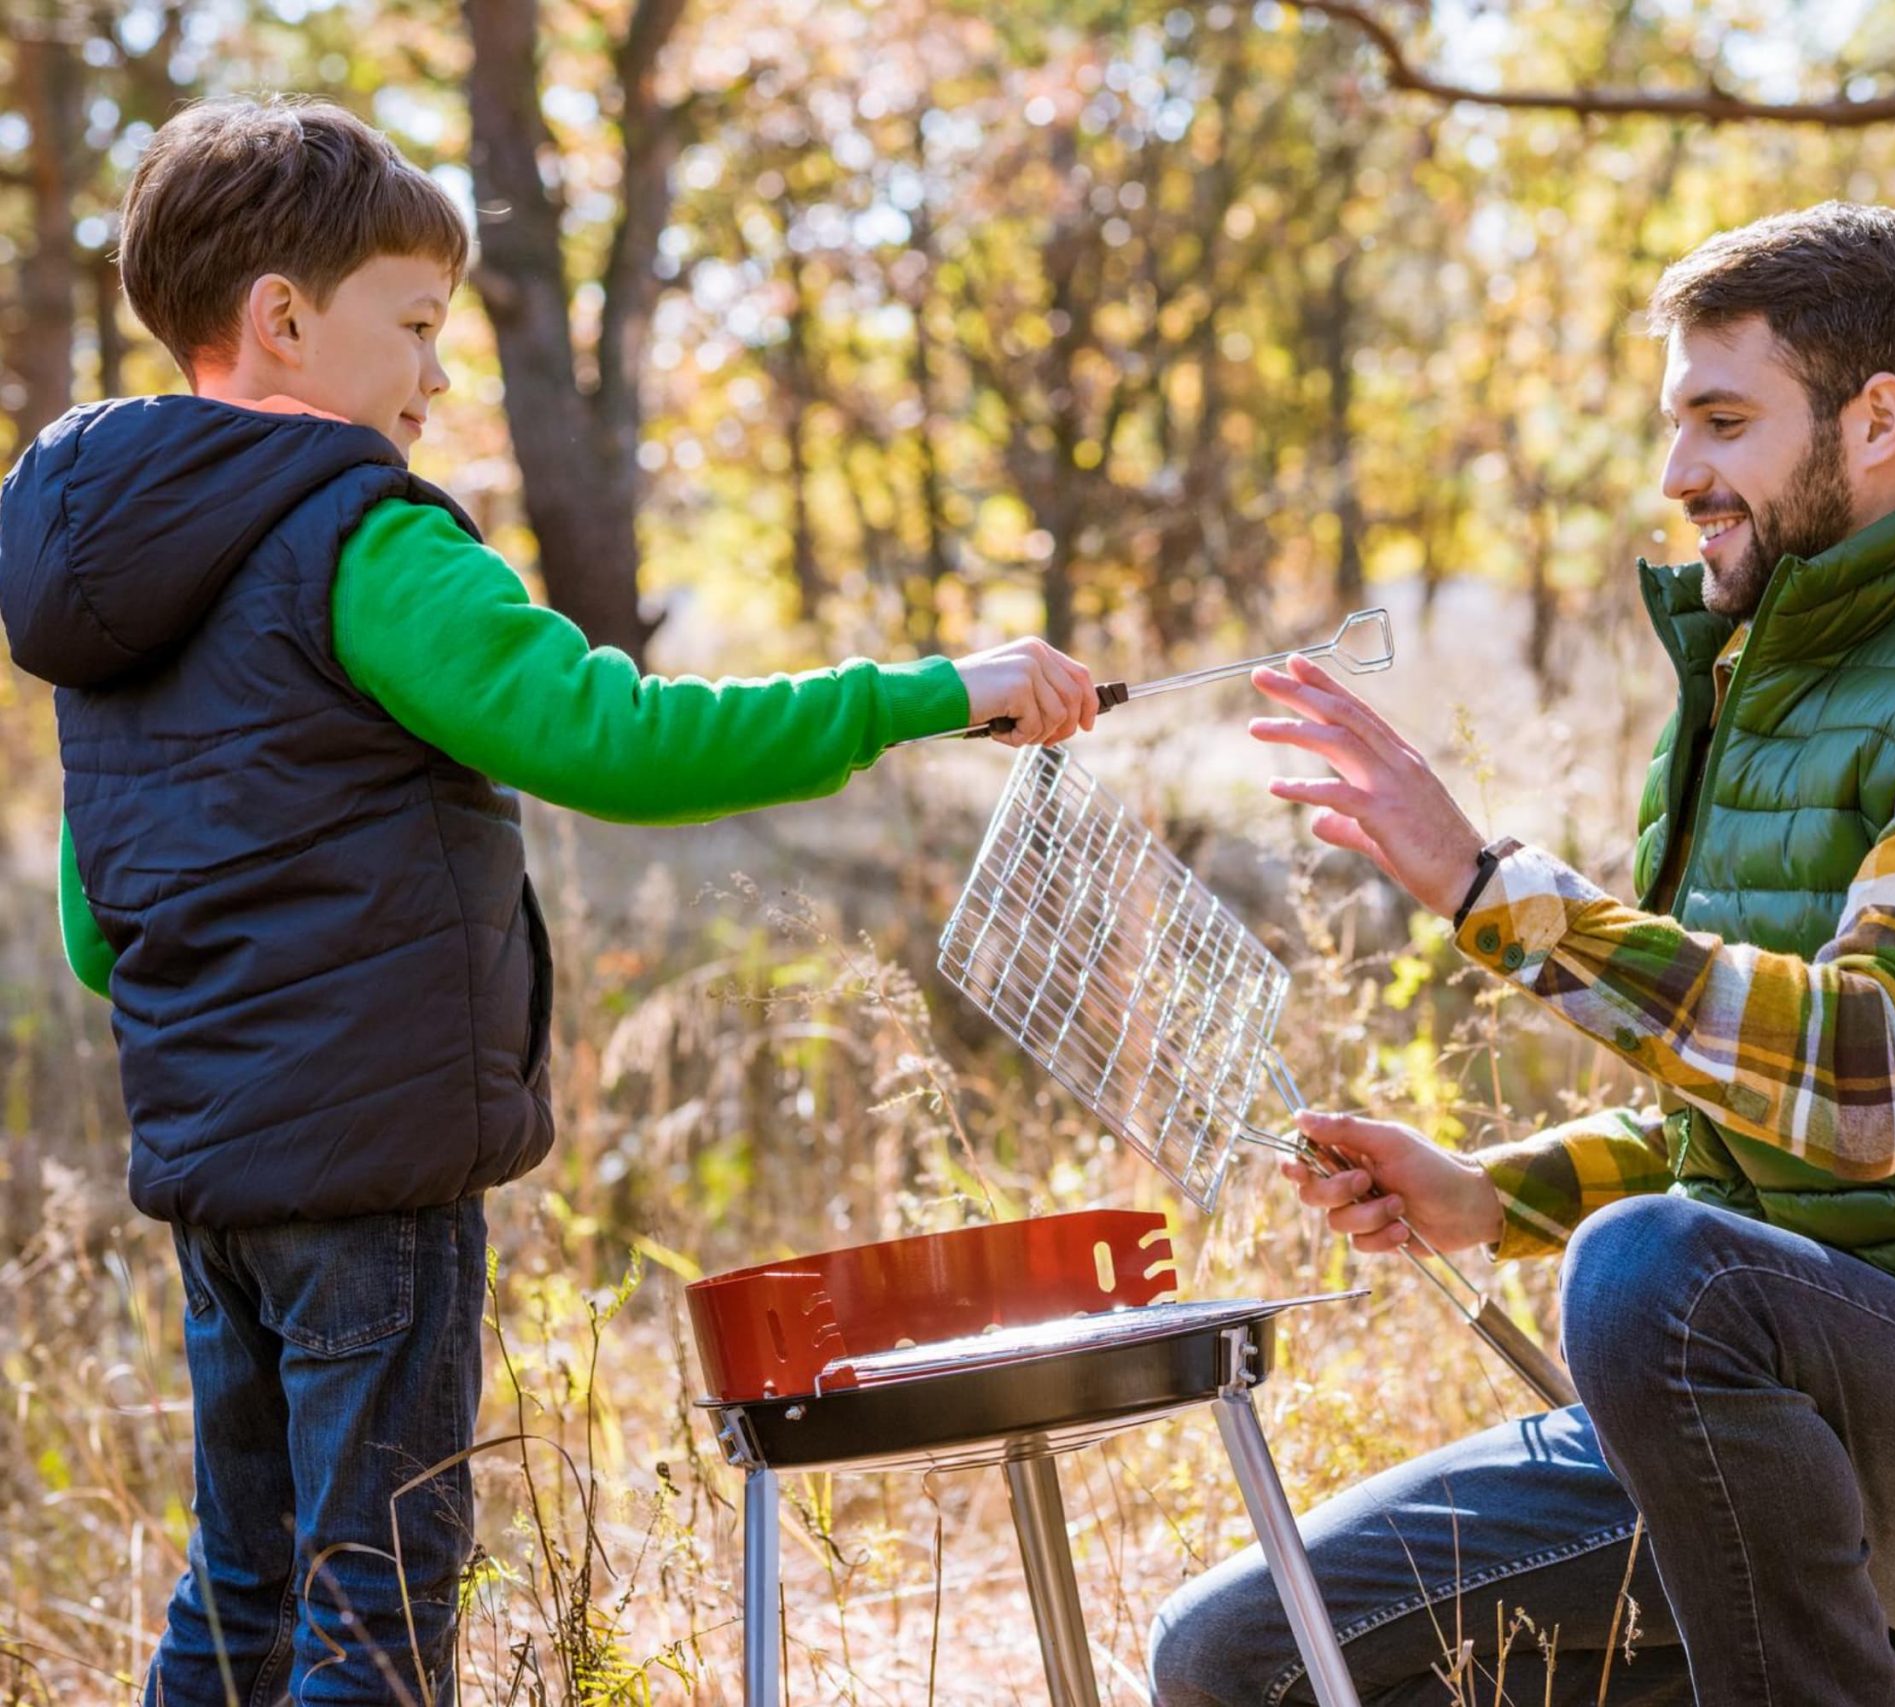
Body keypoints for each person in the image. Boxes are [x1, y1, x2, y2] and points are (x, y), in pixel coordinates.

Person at [0, 97, 1098, 1706]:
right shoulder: (357, 535)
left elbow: (104, 931)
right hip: (374, 1174)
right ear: (286, 322)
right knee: (376, 1598)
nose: (439, 380)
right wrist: (935, 691)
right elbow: (620, 743)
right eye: (420, 328)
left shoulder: (106, 584)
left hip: (214, 1176)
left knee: (241, 1583)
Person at [1148, 203, 1895, 1707]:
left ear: (1879, 423)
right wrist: (1485, 1195)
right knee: (1238, 1660)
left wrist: (1489, 887)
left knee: (1658, 1275)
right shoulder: (1740, 695)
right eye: (1676, 425)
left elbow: (1870, 1082)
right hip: (1763, 1413)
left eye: (1724, 422)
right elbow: (1732, 1132)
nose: (1679, 477)